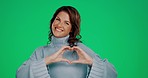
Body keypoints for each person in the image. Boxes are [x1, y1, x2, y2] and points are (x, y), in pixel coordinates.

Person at [16, 6, 117, 78]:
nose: (59, 25)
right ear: (52, 22)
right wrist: (47, 60)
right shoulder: (40, 52)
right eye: (57, 19)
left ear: (72, 29)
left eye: (66, 23)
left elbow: (112, 74)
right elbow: (20, 74)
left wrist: (91, 61)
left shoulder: (80, 50)